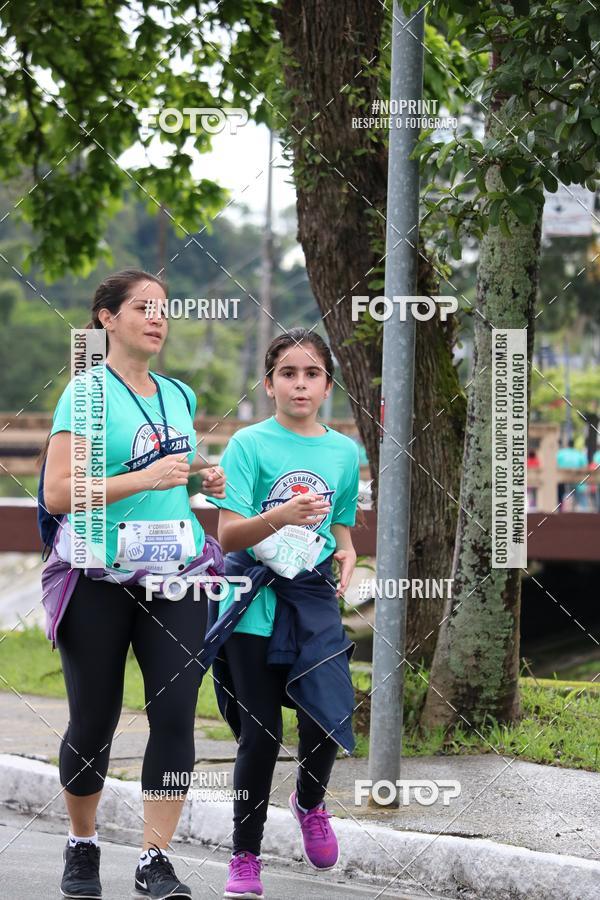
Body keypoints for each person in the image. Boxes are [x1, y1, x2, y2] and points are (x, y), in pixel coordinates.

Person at [40, 269, 226, 899]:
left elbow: (167, 472)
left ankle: (155, 860)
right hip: (97, 573)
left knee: (174, 714)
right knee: (94, 719)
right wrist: (142, 481)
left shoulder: (179, 394)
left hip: (174, 575)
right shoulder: (85, 394)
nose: (158, 318)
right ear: (106, 318)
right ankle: (82, 842)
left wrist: (200, 479)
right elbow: (59, 492)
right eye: (143, 307)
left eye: (165, 309)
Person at [204, 328, 360, 899]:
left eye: (311, 374)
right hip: (253, 604)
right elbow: (230, 534)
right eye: (288, 374)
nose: (300, 384)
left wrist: (346, 548)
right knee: (260, 736)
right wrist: (285, 515)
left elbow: (339, 519)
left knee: (324, 716)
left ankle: (310, 802)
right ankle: (245, 858)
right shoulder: (249, 445)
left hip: (312, 600)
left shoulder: (344, 452)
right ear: (269, 383)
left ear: (326, 386)